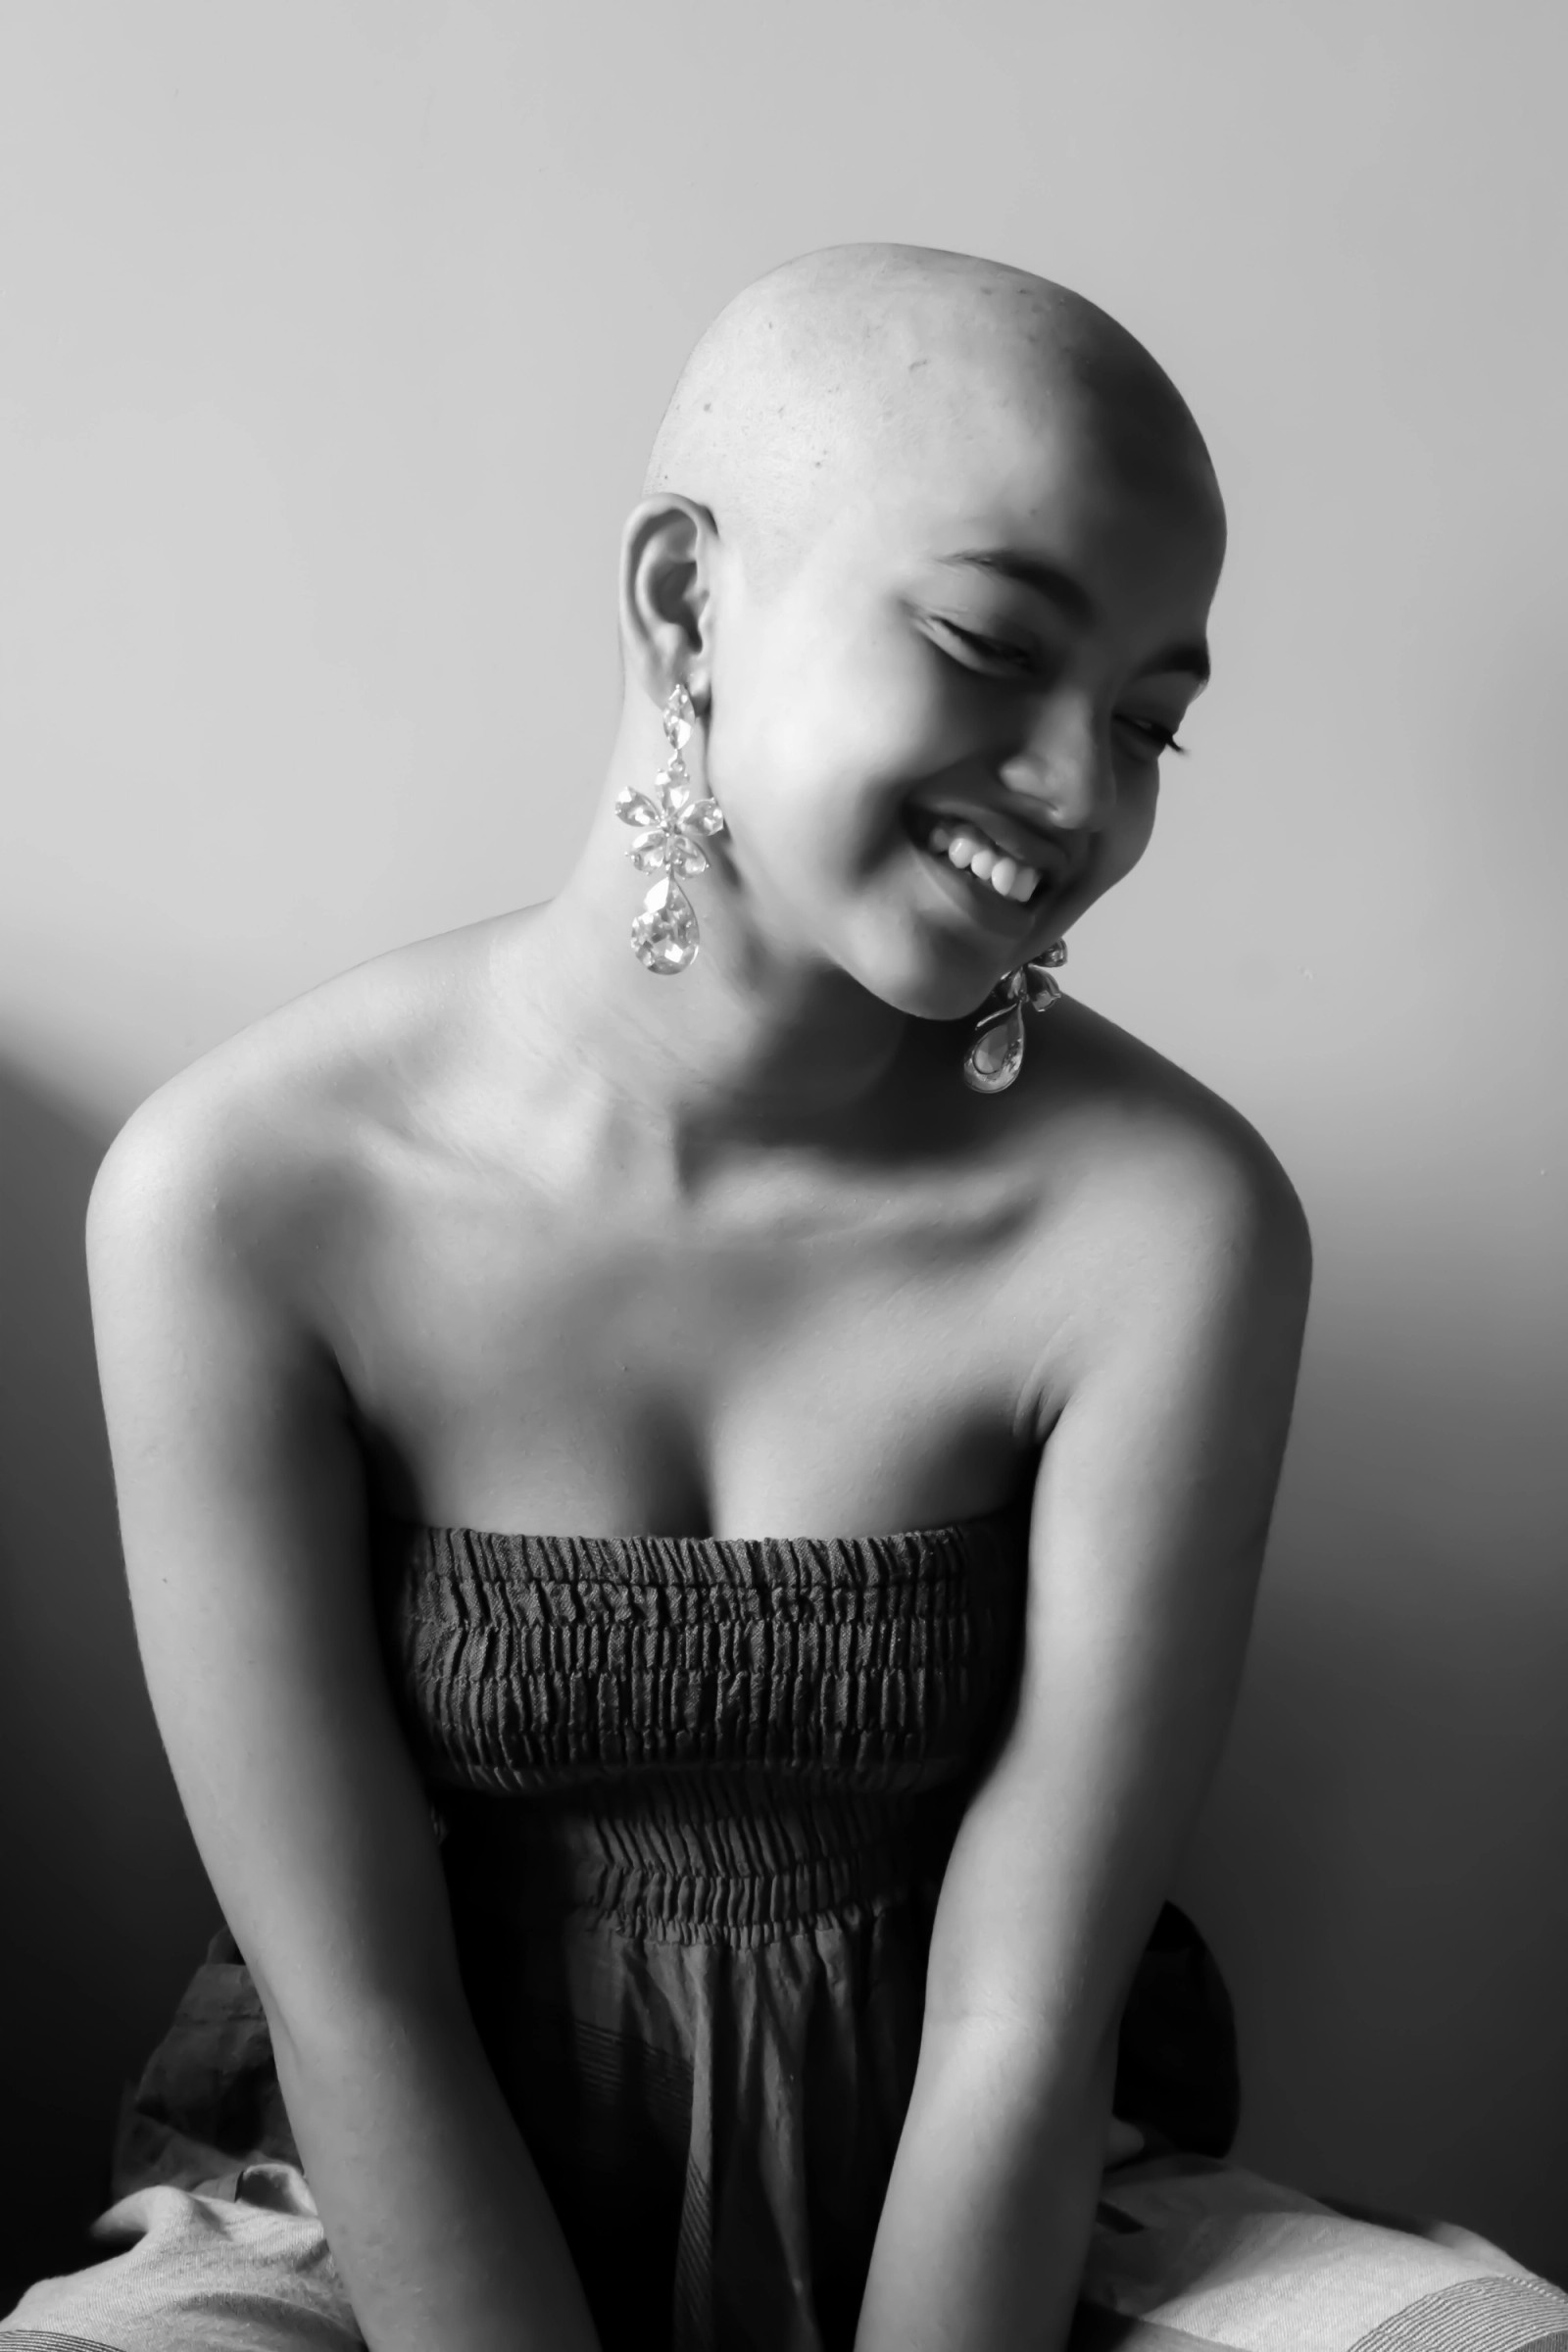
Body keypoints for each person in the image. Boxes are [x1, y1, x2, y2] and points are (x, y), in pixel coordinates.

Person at [3, 243, 1562, 2352]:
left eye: (1146, 723)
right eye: (990, 645)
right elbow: (355, 2001)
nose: (1080, 795)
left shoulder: (1166, 1225)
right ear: (683, 603)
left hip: (995, 2207)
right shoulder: (238, 1198)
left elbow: (1023, 2013)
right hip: (379, 2216)